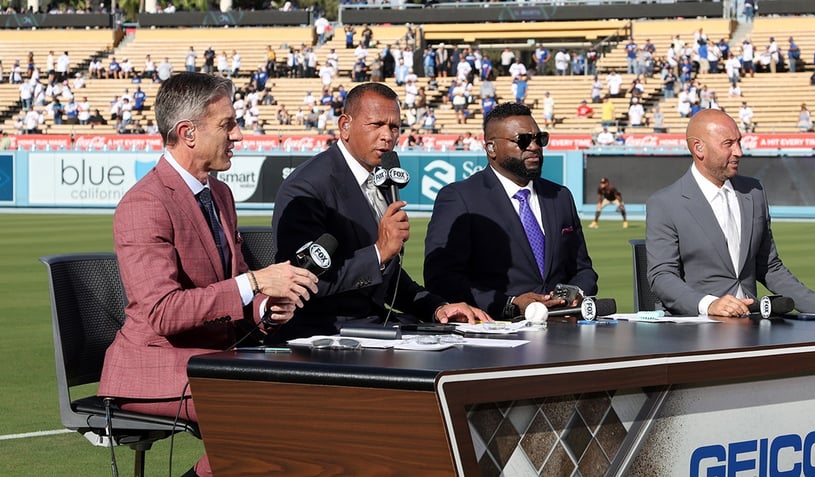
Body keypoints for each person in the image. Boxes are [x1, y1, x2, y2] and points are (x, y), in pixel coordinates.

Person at [99, 72, 320, 477]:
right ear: (188, 133)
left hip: (213, 359)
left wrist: (267, 308)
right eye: (227, 124)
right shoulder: (144, 204)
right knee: (270, 412)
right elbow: (163, 313)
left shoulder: (219, 193)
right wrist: (254, 283)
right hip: (154, 369)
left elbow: (232, 286)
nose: (238, 135)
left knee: (310, 396)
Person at [270, 82, 491, 343]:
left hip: (375, 329)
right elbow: (302, 280)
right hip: (323, 337)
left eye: (394, 127)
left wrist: (438, 308)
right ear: (345, 126)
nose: (388, 135)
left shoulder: (380, 182)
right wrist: (379, 252)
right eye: (376, 125)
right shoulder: (307, 186)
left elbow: (390, 279)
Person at [645, 109, 815, 317]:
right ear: (699, 148)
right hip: (695, 331)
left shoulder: (754, 192)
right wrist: (709, 305)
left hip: (752, 326)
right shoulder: (664, 203)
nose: (739, 151)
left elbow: (770, 267)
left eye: (739, 142)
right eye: (728, 144)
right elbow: (661, 276)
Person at [423, 102, 597, 319]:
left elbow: (583, 270)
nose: (534, 146)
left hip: (564, 333)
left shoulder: (560, 196)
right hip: (495, 338)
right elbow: (441, 279)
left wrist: (577, 294)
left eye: (539, 138)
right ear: (491, 148)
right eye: (523, 140)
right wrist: (511, 304)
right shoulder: (460, 198)